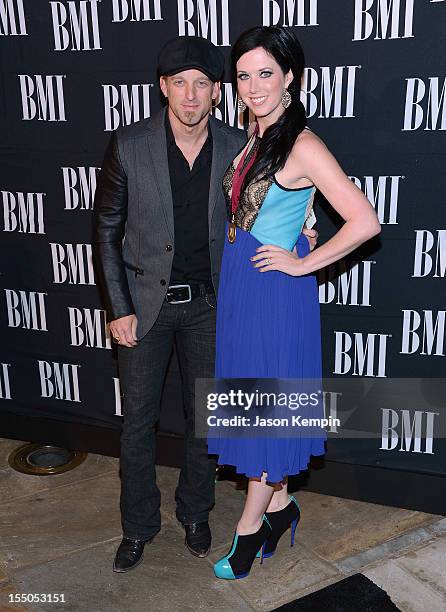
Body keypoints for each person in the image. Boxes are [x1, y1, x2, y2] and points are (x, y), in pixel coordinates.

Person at [92, 34, 321, 573]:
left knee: (208, 421)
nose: (191, 96)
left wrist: (302, 238)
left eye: (202, 84)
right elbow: (105, 231)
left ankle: (197, 516)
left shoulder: (242, 142)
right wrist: (118, 305)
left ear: (218, 92)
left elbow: (278, 200)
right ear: (162, 88)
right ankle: (139, 526)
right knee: (137, 424)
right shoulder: (129, 144)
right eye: (179, 84)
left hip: (215, 305)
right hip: (145, 305)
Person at [207, 26, 381, 580]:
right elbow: (279, 205)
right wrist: (302, 228)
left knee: (264, 419)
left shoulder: (302, 142)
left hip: (276, 298)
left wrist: (304, 261)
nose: (253, 86)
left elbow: (364, 220)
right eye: (243, 75)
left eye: (265, 73)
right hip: (243, 288)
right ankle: (281, 509)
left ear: (290, 79)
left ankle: (249, 529)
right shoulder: (256, 136)